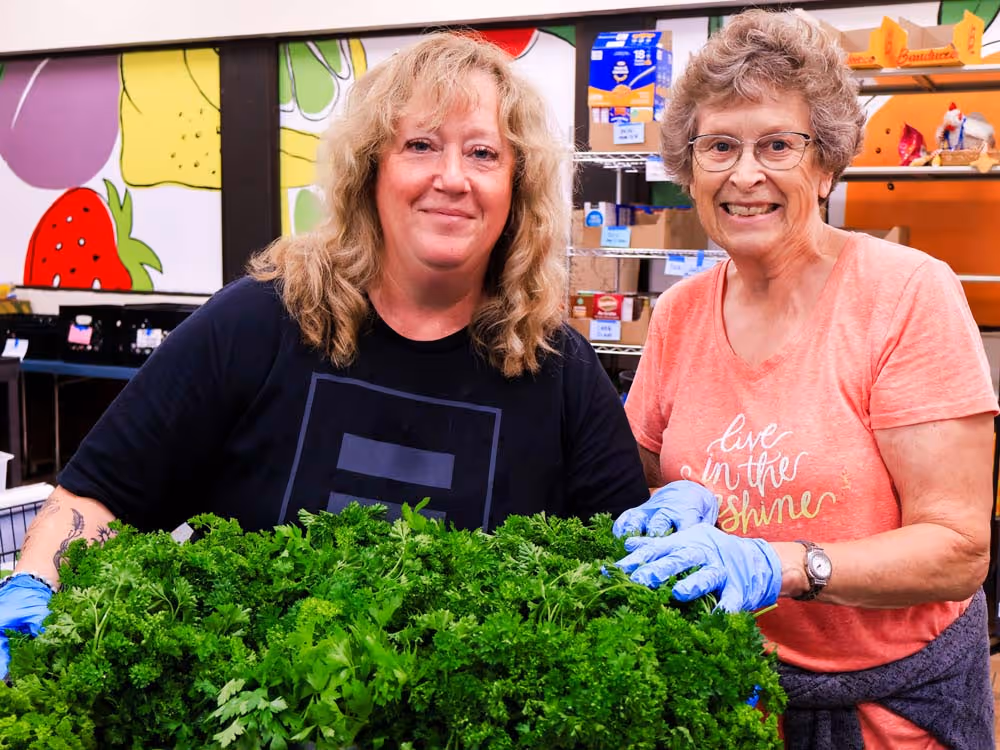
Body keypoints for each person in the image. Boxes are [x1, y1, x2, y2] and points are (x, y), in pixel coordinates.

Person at [0, 32, 650, 677]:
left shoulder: (556, 369)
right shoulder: (257, 324)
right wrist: (34, 591)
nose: (451, 178)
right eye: (420, 145)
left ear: (517, 186)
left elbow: (627, 572)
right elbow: (97, 497)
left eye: (483, 153)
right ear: (371, 170)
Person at [611, 9, 998, 750]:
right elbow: (648, 478)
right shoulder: (681, 312)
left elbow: (957, 548)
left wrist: (784, 563)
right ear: (690, 171)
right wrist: (670, 503)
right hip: (732, 696)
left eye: (778, 145)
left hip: (888, 712)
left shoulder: (906, 294)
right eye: (719, 146)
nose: (745, 174)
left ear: (825, 166)